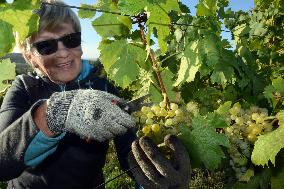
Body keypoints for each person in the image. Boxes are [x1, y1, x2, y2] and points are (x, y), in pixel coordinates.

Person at [0, 0, 191, 188]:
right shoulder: (24, 87)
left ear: (81, 45)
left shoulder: (104, 88)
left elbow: (130, 152)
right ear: (30, 57)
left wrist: (154, 177)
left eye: (71, 40)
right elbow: (3, 163)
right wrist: (55, 112)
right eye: (46, 46)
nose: (63, 52)